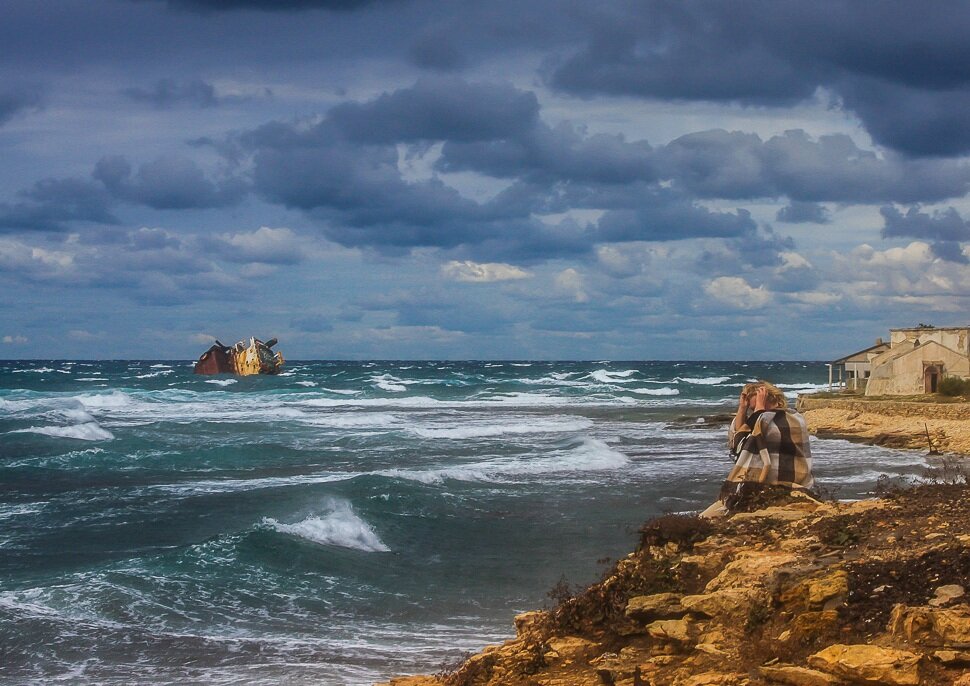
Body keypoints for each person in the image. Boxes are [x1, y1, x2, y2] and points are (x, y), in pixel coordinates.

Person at [699, 381, 814, 518]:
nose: (753, 412)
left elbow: (741, 444)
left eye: (755, 407)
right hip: (762, 487)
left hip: (783, 486)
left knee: (707, 518)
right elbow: (736, 440)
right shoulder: (764, 420)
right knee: (703, 518)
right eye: (751, 409)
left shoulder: (787, 419)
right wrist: (742, 409)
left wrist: (759, 410)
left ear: (770, 399)